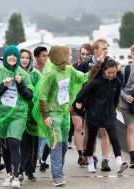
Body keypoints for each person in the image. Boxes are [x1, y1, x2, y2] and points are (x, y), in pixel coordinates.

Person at [32, 45, 90, 186]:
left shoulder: (69, 70)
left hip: (65, 113)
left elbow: (84, 77)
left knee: (64, 145)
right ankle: (57, 176)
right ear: (61, 57)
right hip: (53, 114)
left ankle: (59, 171)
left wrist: (99, 65)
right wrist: (46, 115)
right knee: (56, 144)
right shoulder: (51, 73)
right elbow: (42, 96)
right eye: (69, 55)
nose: (72, 57)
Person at [0, 45, 34, 188]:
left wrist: (21, 84)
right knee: (6, 146)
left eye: (15, 55)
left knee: (14, 142)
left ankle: (16, 176)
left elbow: (30, 96)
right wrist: (3, 85)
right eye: (10, 55)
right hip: (1, 116)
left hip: (18, 115)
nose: (12, 57)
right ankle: (10, 174)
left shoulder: (23, 74)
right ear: (5, 57)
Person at [75, 59, 128, 174]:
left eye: (114, 73)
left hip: (108, 114)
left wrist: (111, 110)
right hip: (94, 114)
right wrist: (77, 102)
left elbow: (116, 98)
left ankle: (119, 162)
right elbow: (83, 92)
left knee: (114, 138)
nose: (111, 75)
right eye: (109, 73)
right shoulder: (96, 82)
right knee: (91, 139)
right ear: (104, 70)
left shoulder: (117, 81)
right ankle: (90, 161)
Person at [77, 39, 112, 171]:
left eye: (107, 49)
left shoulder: (109, 62)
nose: (105, 51)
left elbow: (115, 79)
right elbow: (79, 81)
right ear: (95, 50)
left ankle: (105, 160)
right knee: (89, 131)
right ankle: (89, 155)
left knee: (104, 130)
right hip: (90, 103)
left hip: (104, 102)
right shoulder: (86, 63)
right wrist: (79, 100)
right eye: (103, 49)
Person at [18, 49, 41, 182]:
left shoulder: (36, 74)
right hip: (19, 114)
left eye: (27, 57)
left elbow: (41, 90)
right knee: (22, 145)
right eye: (22, 57)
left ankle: (30, 171)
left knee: (33, 145)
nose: (25, 60)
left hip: (33, 114)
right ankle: (20, 169)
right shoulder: (14, 73)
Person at [70, 43, 93, 166]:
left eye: (87, 54)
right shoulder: (74, 66)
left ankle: (86, 152)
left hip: (89, 101)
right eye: (82, 54)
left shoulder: (93, 66)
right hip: (75, 100)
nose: (84, 56)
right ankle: (80, 155)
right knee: (78, 127)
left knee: (87, 129)